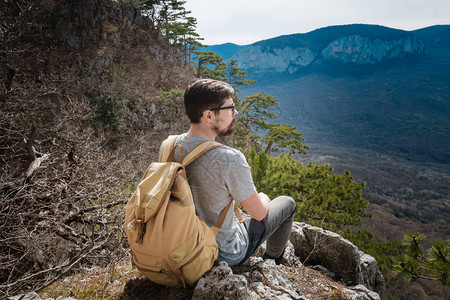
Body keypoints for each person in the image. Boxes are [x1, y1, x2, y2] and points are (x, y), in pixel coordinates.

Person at [164, 78, 296, 266]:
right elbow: (259, 214)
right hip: (221, 252)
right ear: (208, 116)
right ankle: (272, 262)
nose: (236, 112)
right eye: (230, 108)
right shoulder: (229, 158)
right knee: (287, 204)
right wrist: (264, 199)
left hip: (178, 246)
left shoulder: (169, 145)